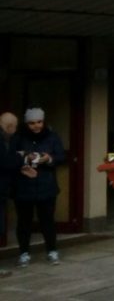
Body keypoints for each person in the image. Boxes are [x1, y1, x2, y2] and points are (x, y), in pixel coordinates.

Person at [14, 107, 65, 268]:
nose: (36, 126)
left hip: (46, 186)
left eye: (39, 122)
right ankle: (24, 253)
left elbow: (61, 156)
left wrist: (49, 158)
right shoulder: (19, 137)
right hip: (24, 187)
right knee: (24, 222)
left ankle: (52, 251)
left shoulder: (52, 136)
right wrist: (24, 158)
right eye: (32, 123)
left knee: (47, 221)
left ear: (43, 121)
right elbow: (10, 157)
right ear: (26, 123)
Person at [0, 112, 20, 277]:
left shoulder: (8, 140)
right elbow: (5, 162)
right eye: (14, 126)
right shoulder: (2, 141)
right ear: (9, 126)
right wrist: (21, 159)